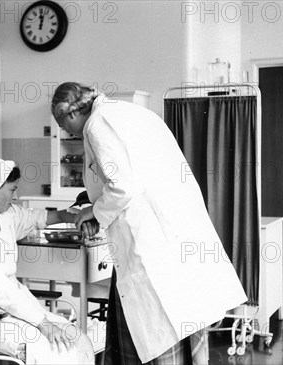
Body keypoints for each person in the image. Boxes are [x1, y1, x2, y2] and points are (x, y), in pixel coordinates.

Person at [51, 83, 248, 365]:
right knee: (182, 322)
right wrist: (96, 207)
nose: (71, 134)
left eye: (67, 128)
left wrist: (94, 211)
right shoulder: (133, 112)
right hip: (175, 233)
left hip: (149, 244)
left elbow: (122, 187)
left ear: (68, 114)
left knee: (154, 331)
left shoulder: (97, 124)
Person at [0, 157, 95, 365]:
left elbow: (36, 217)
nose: (16, 196)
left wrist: (74, 216)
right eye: (12, 190)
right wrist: (42, 323)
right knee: (53, 350)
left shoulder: (6, 215)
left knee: (77, 338)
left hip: (16, 307)